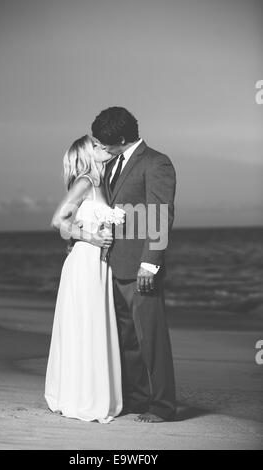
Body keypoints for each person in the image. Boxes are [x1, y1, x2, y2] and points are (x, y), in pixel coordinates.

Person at [91, 107, 177, 423]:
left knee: (151, 339)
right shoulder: (113, 164)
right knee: (127, 339)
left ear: (122, 138)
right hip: (115, 265)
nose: (99, 146)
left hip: (141, 267)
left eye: (103, 142)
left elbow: (160, 215)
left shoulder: (156, 163)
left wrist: (150, 264)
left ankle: (164, 407)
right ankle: (138, 400)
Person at [45, 135, 122, 424]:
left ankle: (90, 394)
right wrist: (92, 236)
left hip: (99, 264)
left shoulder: (103, 183)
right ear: (87, 153)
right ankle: (80, 397)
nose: (102, 147)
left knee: (93, 325)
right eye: (96, 145)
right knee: (85, 324)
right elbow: (57, 220)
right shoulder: (86, 181)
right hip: (84, 262)